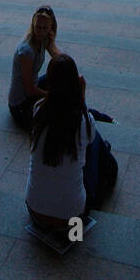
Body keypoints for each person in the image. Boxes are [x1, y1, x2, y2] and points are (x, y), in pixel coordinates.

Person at [25, 55, 95, 234]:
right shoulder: (83, 119)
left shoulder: (38, 109)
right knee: (93, 149)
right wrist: (82, 99)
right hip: (72, 218)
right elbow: (88, 141)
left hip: (34, 211)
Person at [9, 5, 62, 128]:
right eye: (38, 27)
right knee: (59, 116)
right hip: (21, 105)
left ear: (51, 29)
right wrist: (54, 96)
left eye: (45, 28)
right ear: (33, 24)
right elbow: (30, 90)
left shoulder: (43, 39)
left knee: (62, 75)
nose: (41, 31)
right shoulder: (26, 51)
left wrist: (51, 44)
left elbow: (62, 62)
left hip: (33, 88)